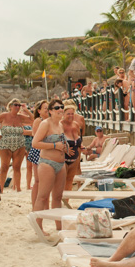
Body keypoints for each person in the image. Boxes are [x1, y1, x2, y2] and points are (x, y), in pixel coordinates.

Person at [31, 99, 70, 233]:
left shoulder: (60, 125)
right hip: (47, 163)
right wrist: (54, 146)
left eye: (62, 107)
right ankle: (38, 228)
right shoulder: (45, 124)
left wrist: (65, 147)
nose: (60, 110)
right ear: (51, 111)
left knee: (58, 197)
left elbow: (61, 141)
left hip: (61, 164)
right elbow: (35, 143)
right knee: (42, 196)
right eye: (57, 108)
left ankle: (59, 227)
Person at [0, 99, 33, 192]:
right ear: (10, 106)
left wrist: (26, 109)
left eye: (19, 105)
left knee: (17, 167)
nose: (17, 107)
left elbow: (33, 120)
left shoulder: (20, 117)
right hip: (5, 145)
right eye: (15, 105)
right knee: (4, 166)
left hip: (19, 144)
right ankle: (0, 189)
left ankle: (18, 189)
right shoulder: (4, 116)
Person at [26, 100, 50, 205]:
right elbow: (35, 137)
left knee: (47, 182)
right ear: (39, 111)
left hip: (48, 151)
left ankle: (45, 205)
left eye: (49, 108)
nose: (47, 110)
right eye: (45, 108)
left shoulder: (51, 120)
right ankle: (34, 205)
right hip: (38, 151)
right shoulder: (38, 121)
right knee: (38, 180)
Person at [61, 102, 84, 192]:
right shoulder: (60, 125)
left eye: (72, 113)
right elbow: (56, 140)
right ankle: (59, 201)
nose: (70, 115)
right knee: (62, 181)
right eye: (68, 114)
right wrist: (64, 148)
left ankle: (66, 201)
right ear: (63, 114)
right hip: (63, 158)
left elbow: (78, 139)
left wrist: (81, 146)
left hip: (75, 157)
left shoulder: (76, 125)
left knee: (70, 180)